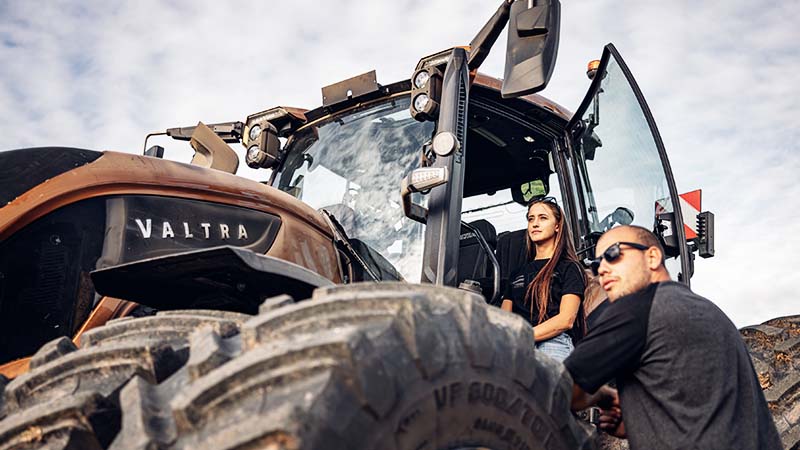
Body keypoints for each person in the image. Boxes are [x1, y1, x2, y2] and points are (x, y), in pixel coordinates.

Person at [564, 225, 782, 450]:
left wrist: (604, 396)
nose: (602, 270)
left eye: (613, 254)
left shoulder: (638, 308)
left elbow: (561, 387)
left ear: (652, 257)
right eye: (596, 264)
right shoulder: (709, 312)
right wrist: (638, 419)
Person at [501, 196, 586, 362]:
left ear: (557, 226)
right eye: (531, 219)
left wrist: (524, 335)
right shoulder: (516, 273)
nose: (535, 224)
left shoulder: (569, 267)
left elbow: (566, 320)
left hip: (554, 343)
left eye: (543, 218)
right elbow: (504, 318)